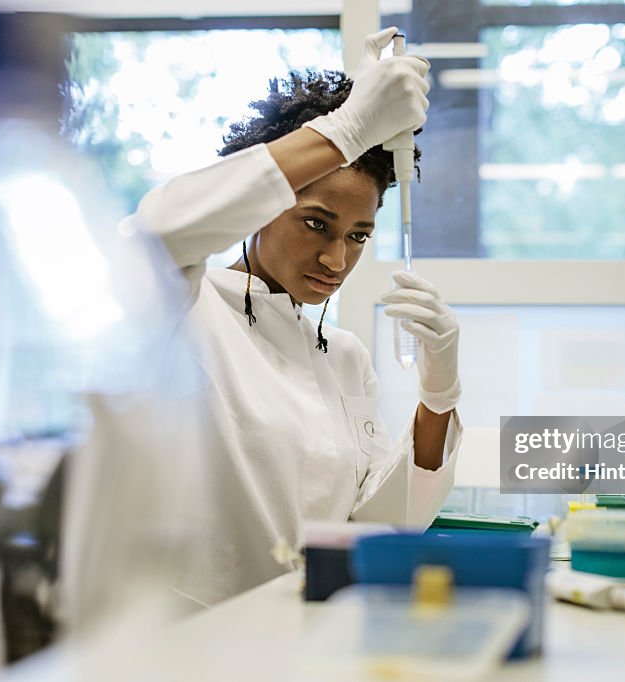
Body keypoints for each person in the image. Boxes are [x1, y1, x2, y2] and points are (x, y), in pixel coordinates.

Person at [122, 27, 463, 603]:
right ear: (260, 207)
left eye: (358, 236)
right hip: (183, 642)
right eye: (315, 223)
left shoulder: (345, 358)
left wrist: (440, 395)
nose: (337, 259)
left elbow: (382, 523)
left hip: (302, 637)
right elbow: (156, 231)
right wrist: (346, 130)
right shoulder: (181, 305)